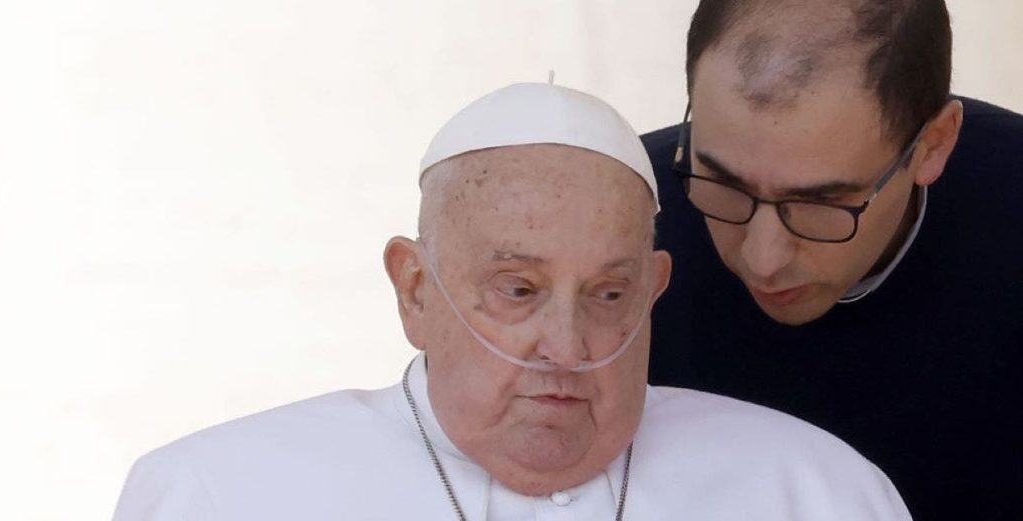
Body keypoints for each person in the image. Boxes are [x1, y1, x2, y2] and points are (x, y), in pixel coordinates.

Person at [113, 82, 912, 520]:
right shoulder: (216, 494)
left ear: (654, 292)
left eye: (608, 293)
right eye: (519, 290)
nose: (565, 346)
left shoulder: (815, 492)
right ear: (415, 290)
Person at [642, 0, 1023, 521]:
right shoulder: (619, 217)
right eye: (722, 182)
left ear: (934, 144)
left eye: (819, 202)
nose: (762, 259)